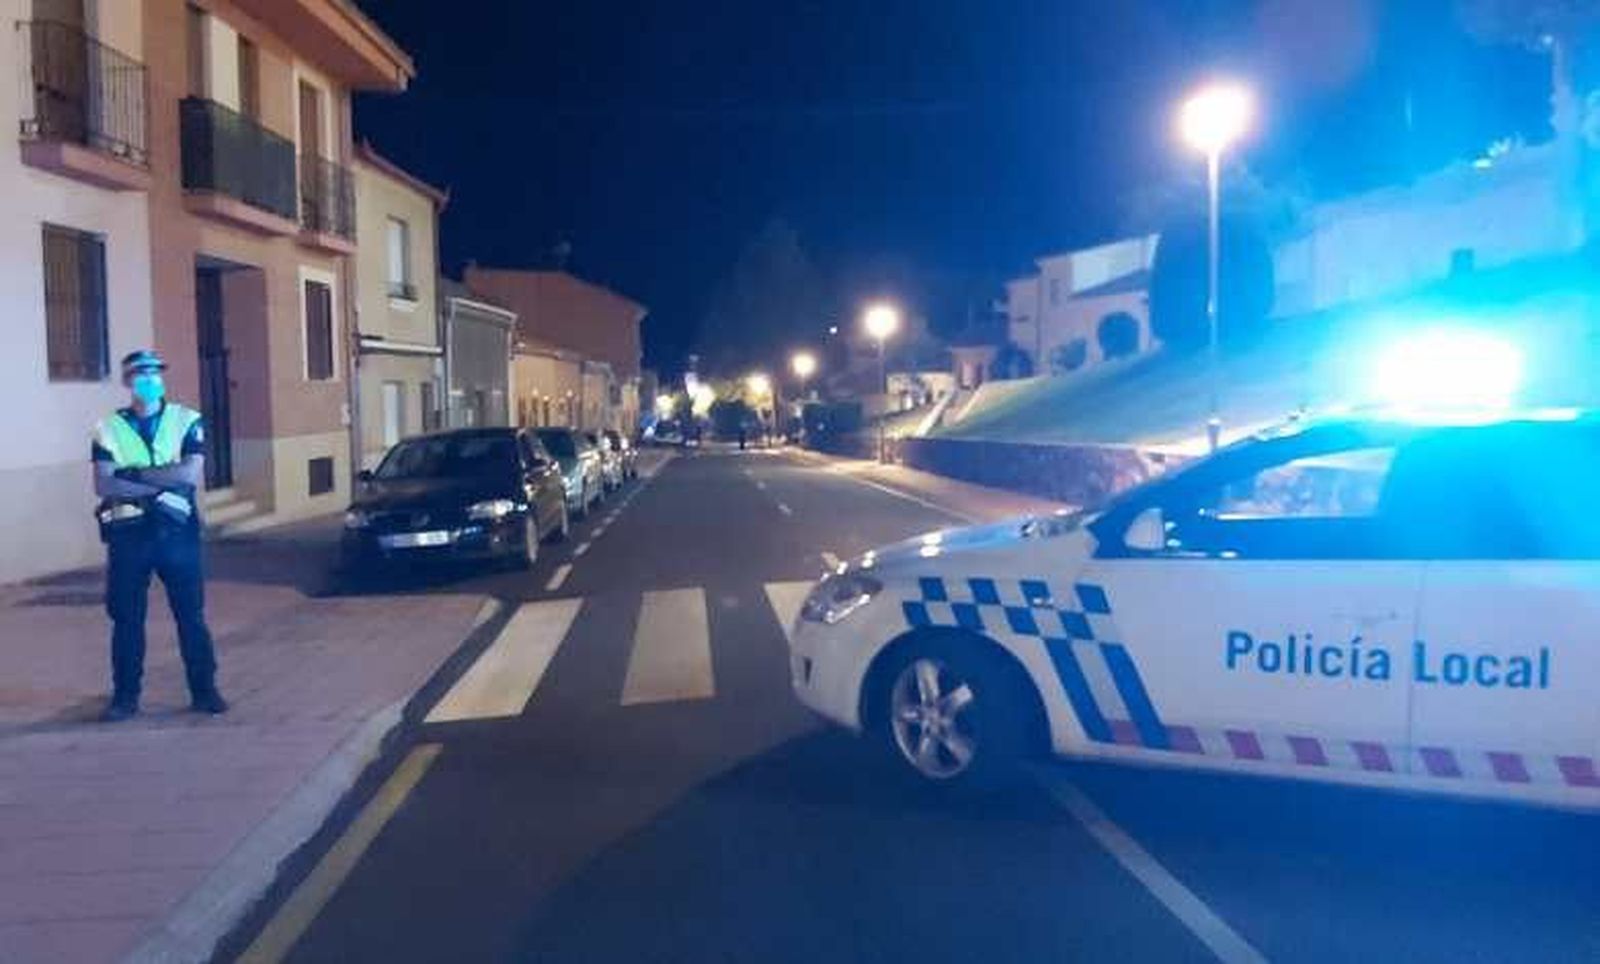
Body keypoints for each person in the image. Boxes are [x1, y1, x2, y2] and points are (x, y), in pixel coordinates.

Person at [91, 349, 227, 721]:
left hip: (176, 535)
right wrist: (159, 480)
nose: (149, 379)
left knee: (191, 616)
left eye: (155, 373)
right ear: (126, 381)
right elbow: (103, 483)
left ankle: (205, 692)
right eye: (140, 373)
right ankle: (125, 698)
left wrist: (131, 476)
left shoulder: (186, 420)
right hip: (128, 536)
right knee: (126, 621)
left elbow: (188, 475)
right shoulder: (108, 427)